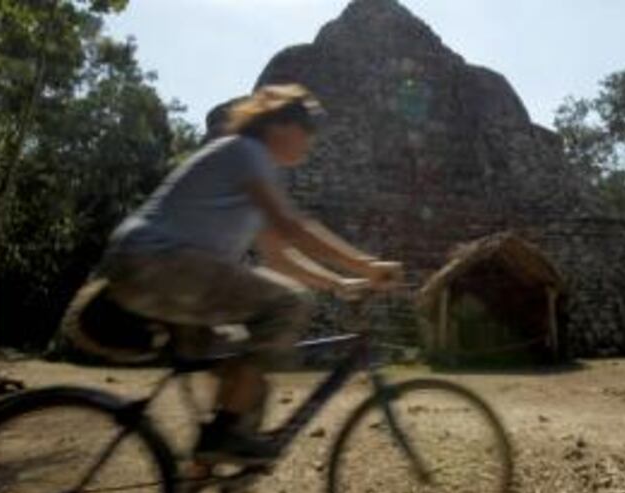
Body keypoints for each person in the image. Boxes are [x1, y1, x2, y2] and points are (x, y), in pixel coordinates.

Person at [93, 83, 401, 464]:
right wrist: (367, 265)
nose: (311, 140)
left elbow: (278, 257)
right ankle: (220, 437)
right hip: (158, 262)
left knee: (247, 388)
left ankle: (203, 485)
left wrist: (339, 283)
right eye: (307, 128)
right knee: (290, 302)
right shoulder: (247, 152)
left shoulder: (251, 167)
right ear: (279, 125)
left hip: (156, 269)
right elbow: (292, 227)